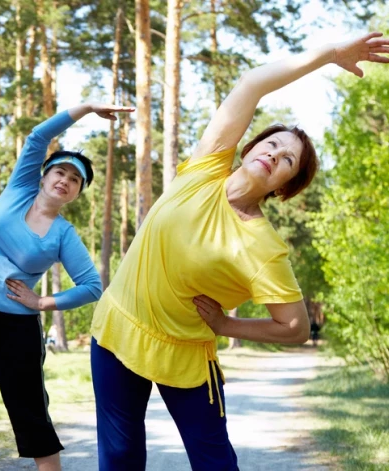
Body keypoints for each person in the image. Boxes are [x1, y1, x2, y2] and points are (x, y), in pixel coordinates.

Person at [89, 33, 389, 471]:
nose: (275, 153)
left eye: (288, 159)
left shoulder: (262, 246)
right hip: (117, 333)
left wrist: (228, 324)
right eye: (272, 143)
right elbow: (252, 84)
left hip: (186, 355)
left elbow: (295, 327)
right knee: (119, 460)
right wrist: (328, 55)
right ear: (249, 148)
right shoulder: (206, 169)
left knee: (215, 464)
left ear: (283, 186)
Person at [0, 103, 134, 471]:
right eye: (60, 171)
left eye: (75, 180)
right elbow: (38, 136)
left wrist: (43, 301)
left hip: (16, 326)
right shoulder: (18, 190)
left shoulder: (64, 234)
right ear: (44, 176)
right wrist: (87, 109)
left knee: (28, 406)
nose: (65, 180)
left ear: (76, 193)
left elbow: (93, 286)